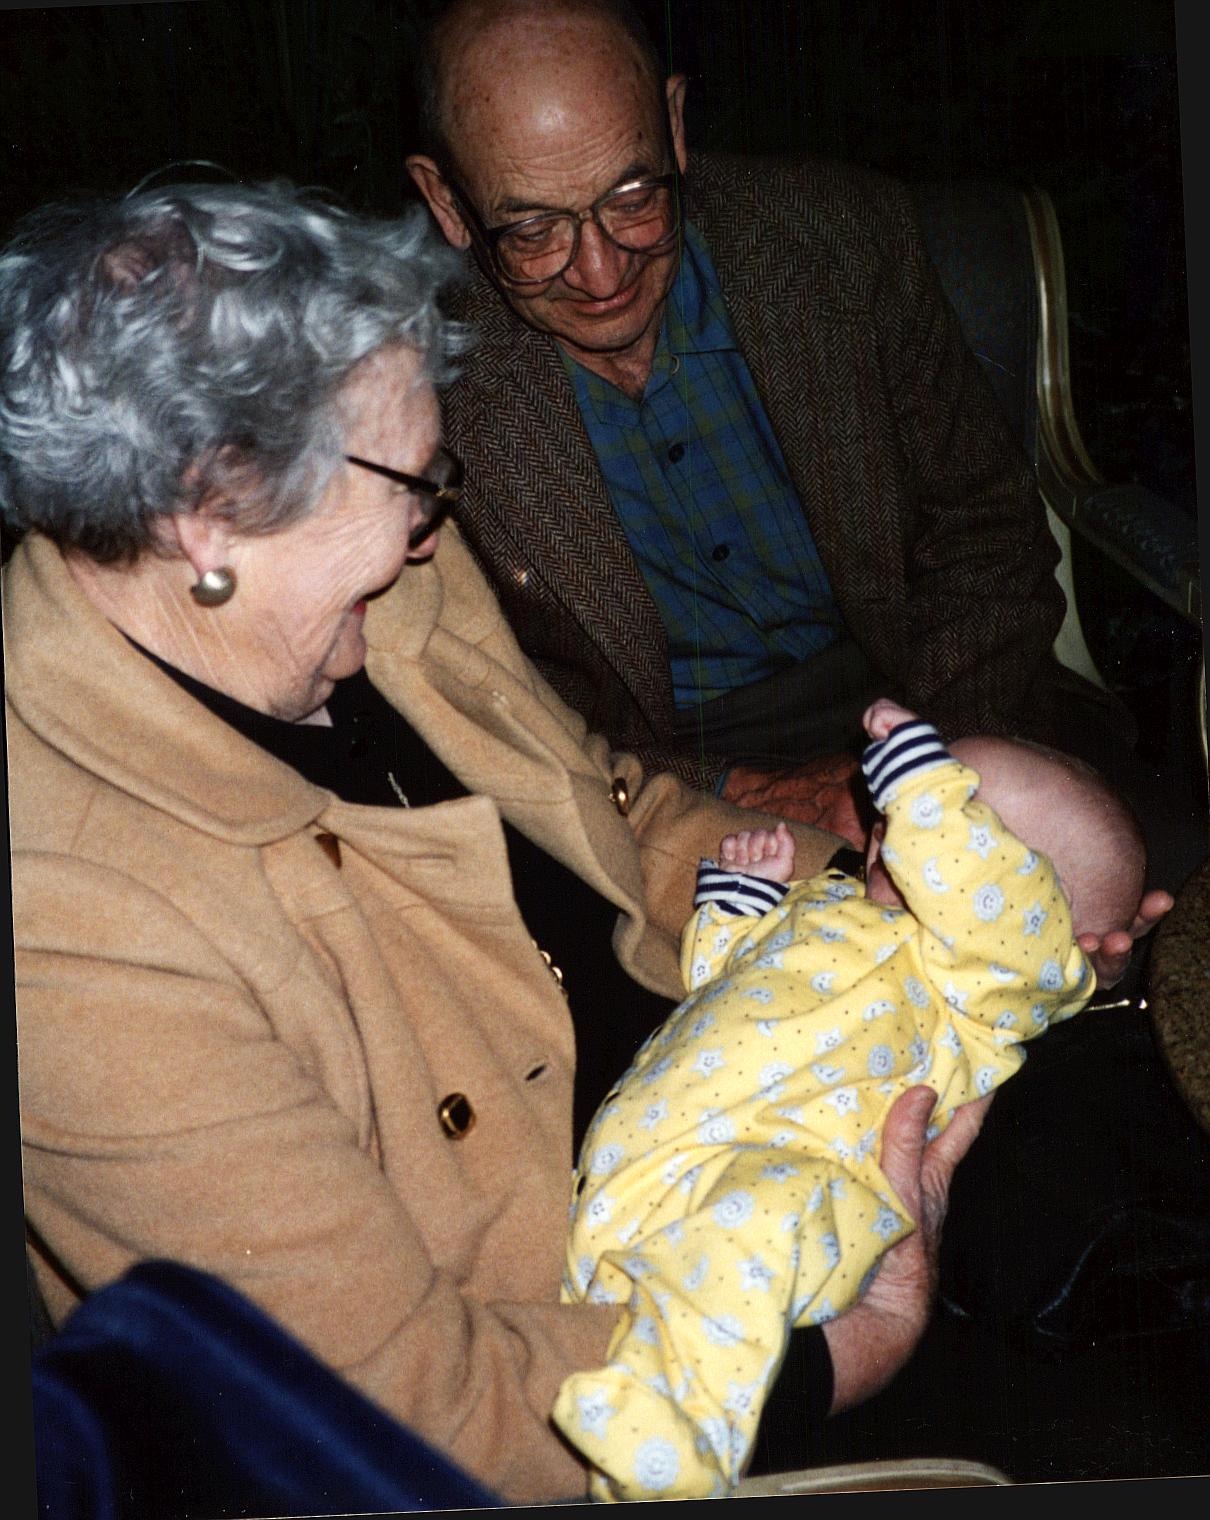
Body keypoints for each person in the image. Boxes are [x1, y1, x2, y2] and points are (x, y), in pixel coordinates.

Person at [3, 175, 1011, 1506]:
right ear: (209, 508)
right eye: (410, 483)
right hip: (629, 1373)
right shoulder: (65, 922)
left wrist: (913, 902)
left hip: (728, 1094)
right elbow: (406, 1411)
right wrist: (832, 1362)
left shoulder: (371, 590)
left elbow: (610, 805)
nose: (438, 522)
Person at [403, 0, 1113, 844]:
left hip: (938, 694)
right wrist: (732, 793)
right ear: (447, 203)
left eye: (633, 196)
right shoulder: (416, 382)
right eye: (530, 229)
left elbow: (986, 535)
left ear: (673, 125)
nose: (599, 273)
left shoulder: (840, 240)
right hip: (655, 783)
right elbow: (482, 697)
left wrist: (928, 775)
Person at [554, 699, 1146, 1500]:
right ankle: (604, 1395)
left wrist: (923, 787)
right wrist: (739, 902)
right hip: (649, 1154)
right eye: (907, 801)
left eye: (958, 806)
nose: (895, 821)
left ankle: (676, 1440)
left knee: (736, 1267)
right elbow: (722, 984)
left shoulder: (985, 983)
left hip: (791, 1180)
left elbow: (993, 904)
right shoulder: (831, 904)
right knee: (606, 1291)